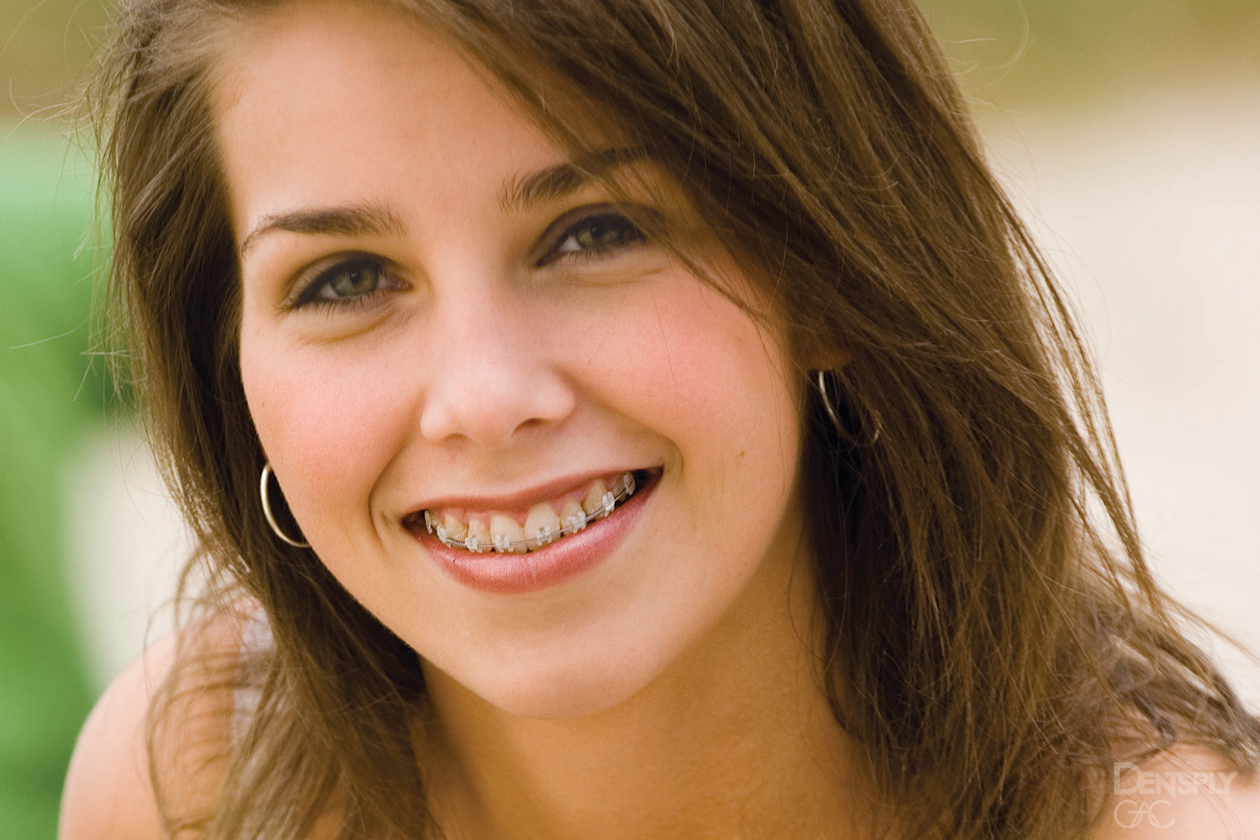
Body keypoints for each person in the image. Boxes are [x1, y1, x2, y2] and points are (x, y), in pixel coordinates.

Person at [59, 0, 1260, 837]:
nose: (482, 398)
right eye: (346, 279)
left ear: (833, 268)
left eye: (595, 234)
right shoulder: (195, 790)